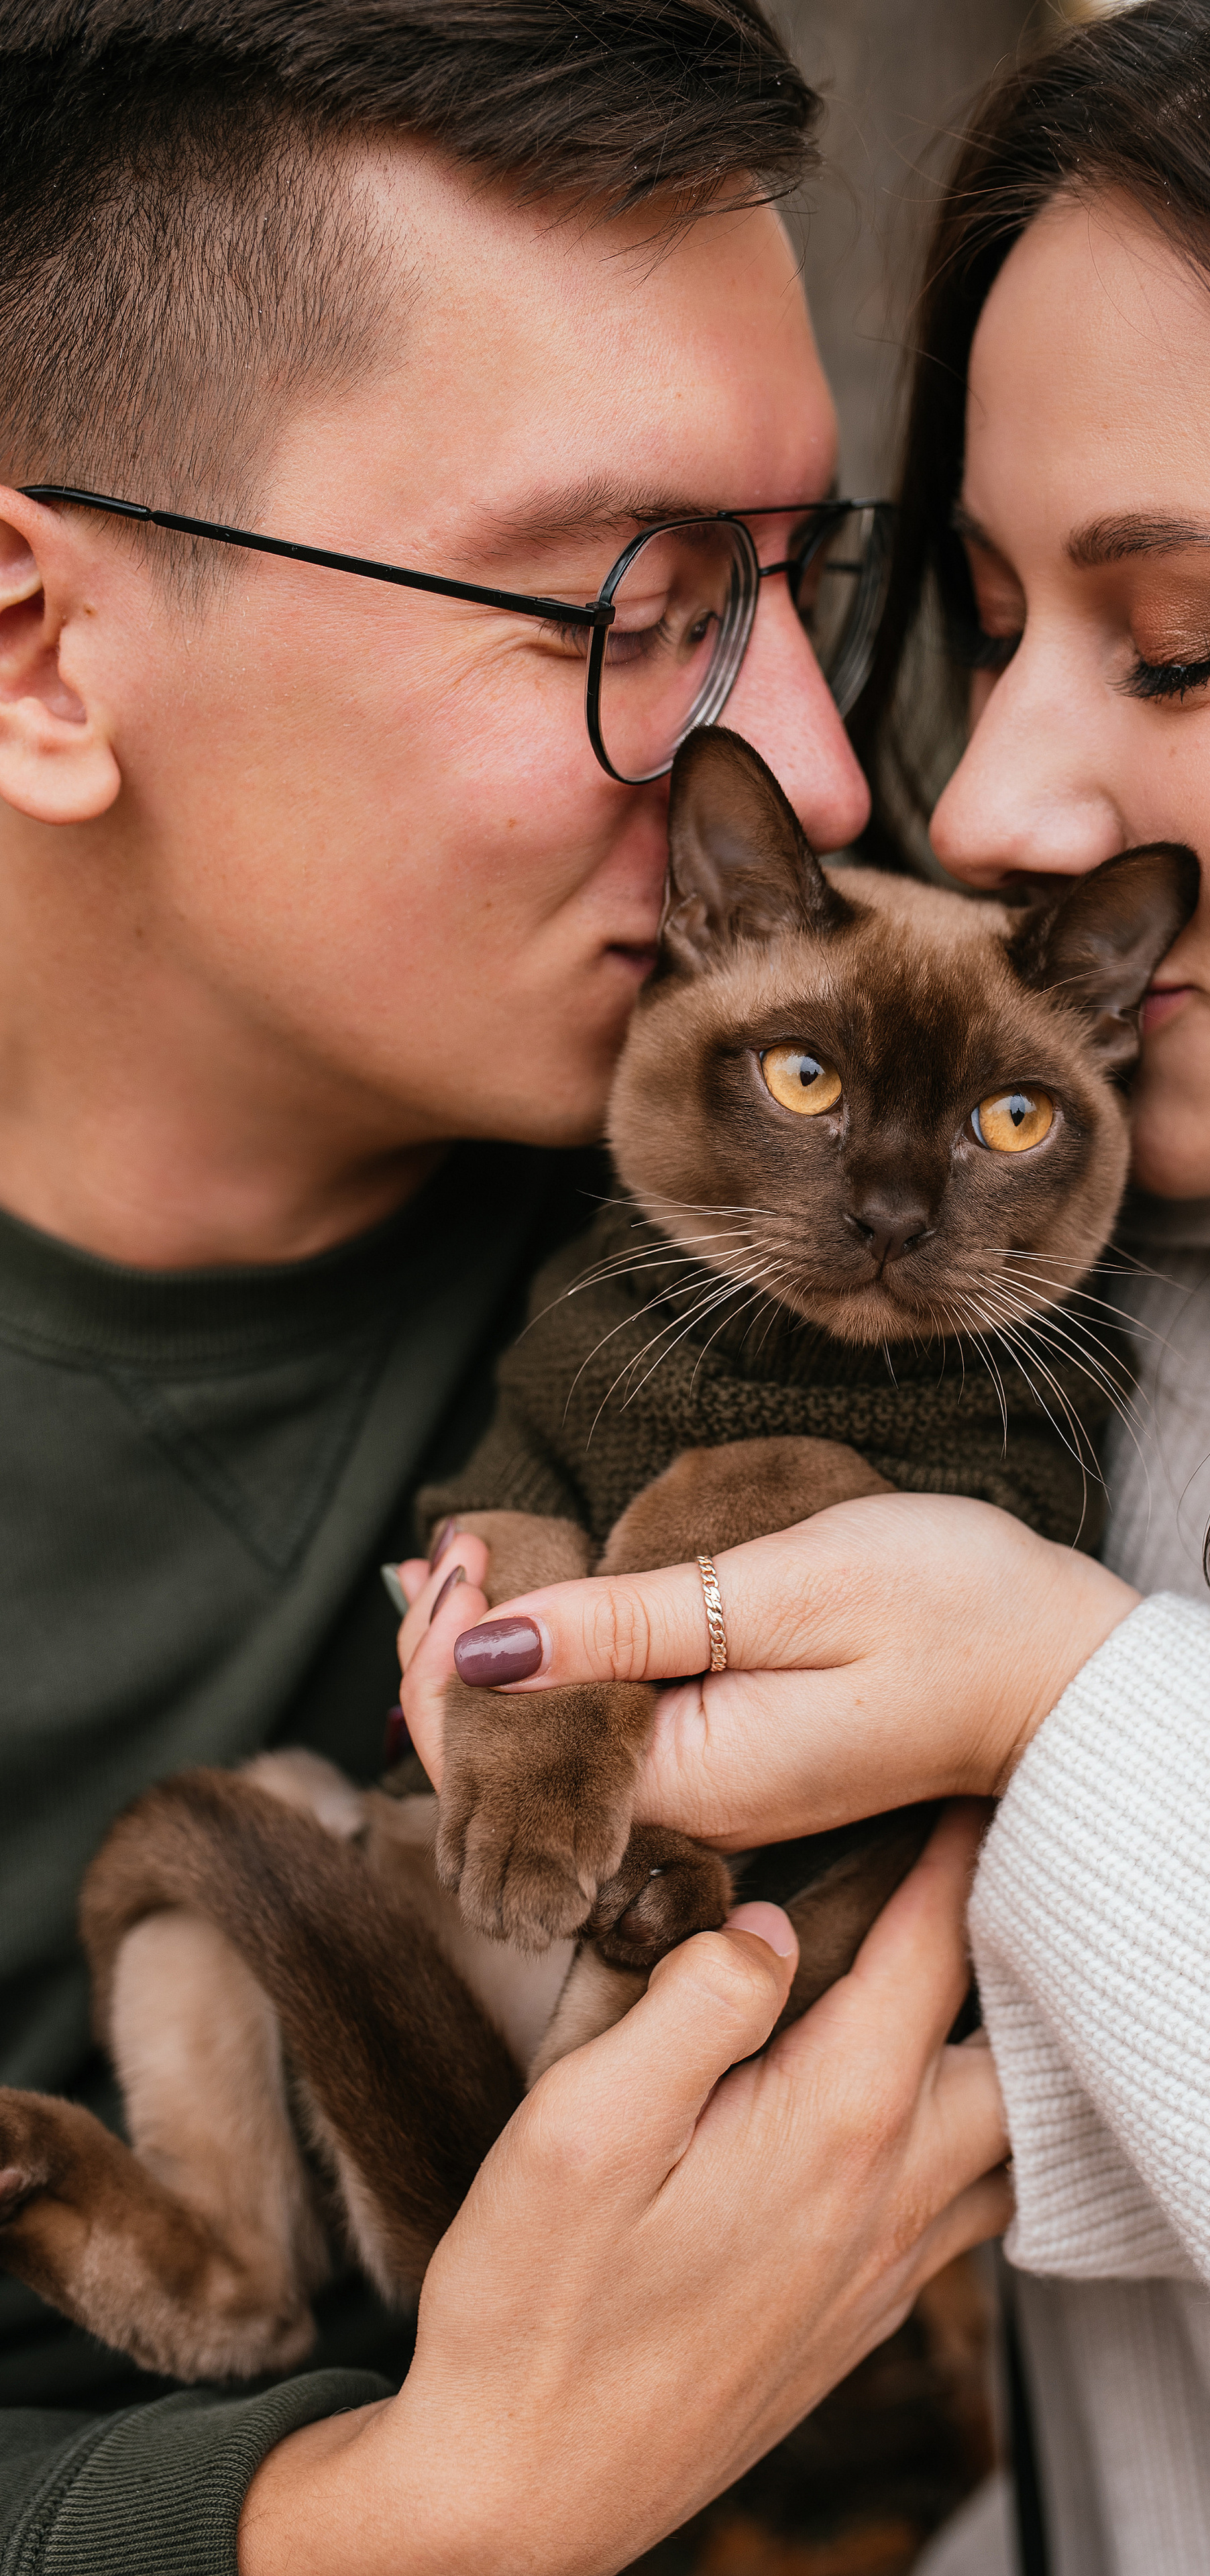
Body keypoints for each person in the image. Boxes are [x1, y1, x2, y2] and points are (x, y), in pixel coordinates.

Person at [400, 1, 1210, 2567]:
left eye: (1185, 643)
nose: (989, 802)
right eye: (990, 626)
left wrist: (1076, 1713)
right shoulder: (1104, 1260)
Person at [0, 3, 1007, 2569]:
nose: (827, 765)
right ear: (39, 647)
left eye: (803, 587)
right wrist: (430, 2516)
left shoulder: (851, 1151)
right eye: (637, 608)